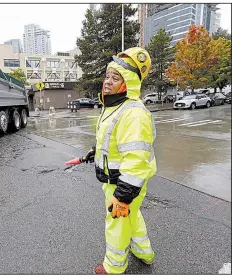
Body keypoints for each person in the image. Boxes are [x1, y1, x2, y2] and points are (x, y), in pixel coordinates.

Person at [82, 47, 157, 274]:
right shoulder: (115, 107)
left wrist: (122, 196)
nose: (107, 82)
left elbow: (136, 159)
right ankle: (144, 252)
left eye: (115, 78)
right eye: (107, 76)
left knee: (117, 222)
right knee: (131, 216)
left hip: (123, 182)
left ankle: (114, 267)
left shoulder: (133, 113)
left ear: (129, 83)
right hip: (116, 179)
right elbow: (111, 140)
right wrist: (95, 152)